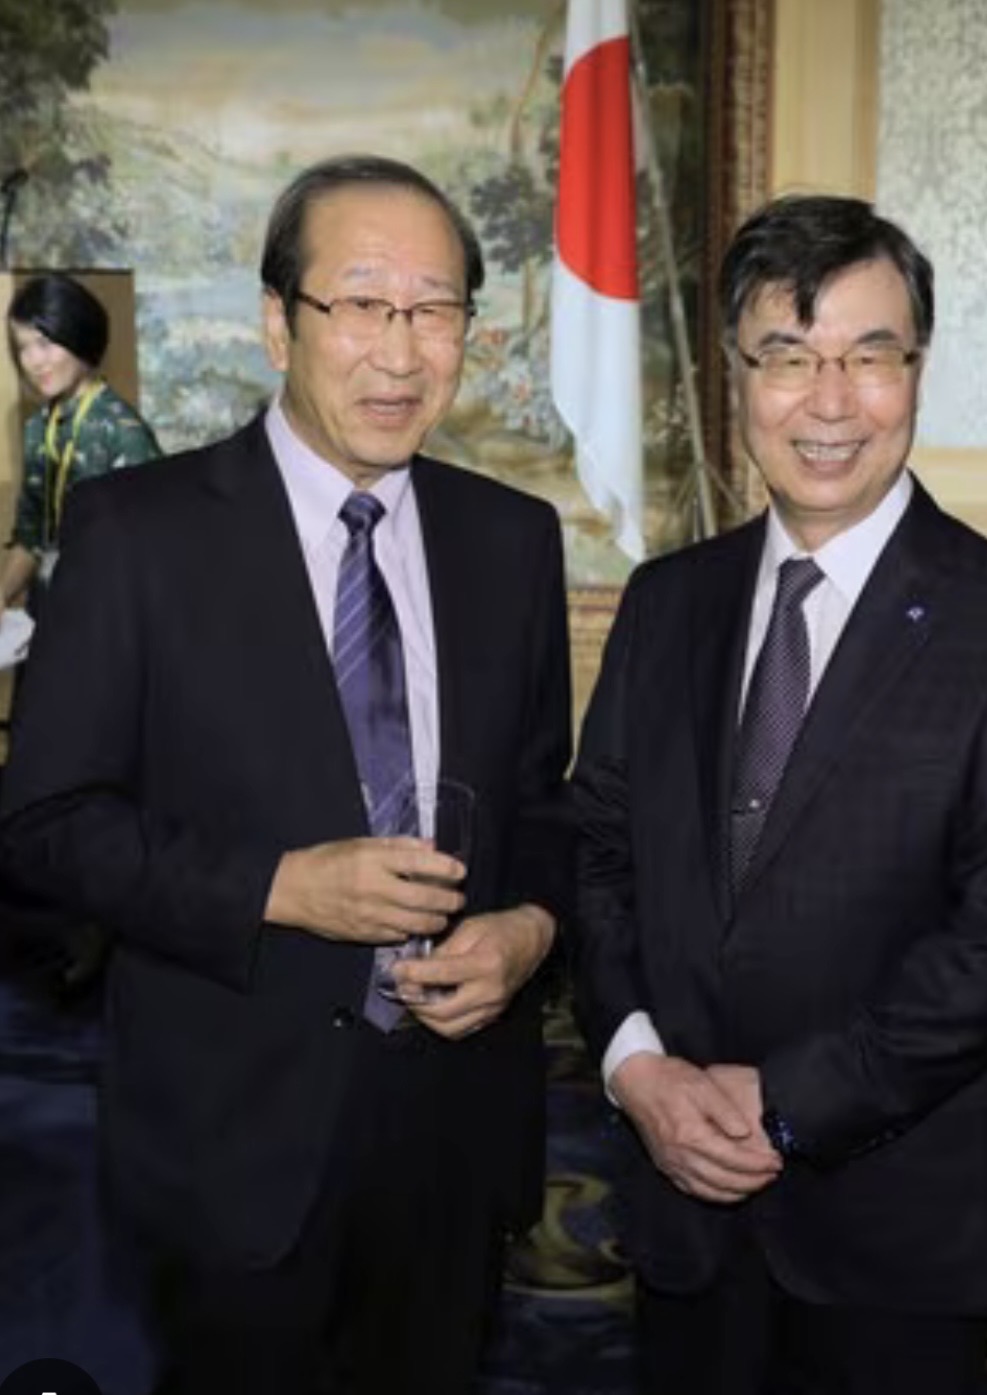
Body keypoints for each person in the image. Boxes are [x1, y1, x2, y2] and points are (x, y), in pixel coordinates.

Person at [0, 155, 571, 1395]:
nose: (401, 352)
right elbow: (44, 825)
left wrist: (529, 928)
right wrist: (279, 886)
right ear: (278, 323)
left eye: (435, 310)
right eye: (361, 303)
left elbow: (540, 802)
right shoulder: (138, 534)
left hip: (452, 1136)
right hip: (231, 1135)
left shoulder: (510, 540)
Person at [571, 194, 987, 1395]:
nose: (829, 403)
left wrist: (789, 1102)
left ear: (917, 371)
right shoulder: (666, 603)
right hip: (680, 1202)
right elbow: (598, 851)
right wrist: (636, 1064)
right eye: (787, 356)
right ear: (736, 377)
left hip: (902, 1228)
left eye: (870, 356)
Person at [3, 272, 161, 611]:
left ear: (76, 334)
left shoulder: (124, 434)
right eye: (22, 348)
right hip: (50, 611)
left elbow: (154, 553)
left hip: (108, 616)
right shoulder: (37, 429)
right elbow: (31, 538)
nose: (34, 362)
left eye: (44, 343)